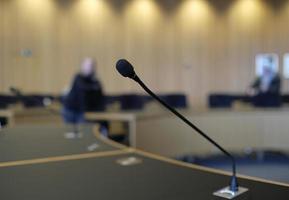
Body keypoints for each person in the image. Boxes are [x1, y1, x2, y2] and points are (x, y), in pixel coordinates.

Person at [62, 58, 103, 138]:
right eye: (87, 65)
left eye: (91, 65)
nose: (89, 68)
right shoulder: (78, 77)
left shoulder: (94, 80)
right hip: (70, 109)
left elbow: (99, 93)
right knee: (70, 133)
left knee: (82, 134)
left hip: (81, 111)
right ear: (82, 66)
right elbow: (83, 88)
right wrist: (93, 87)